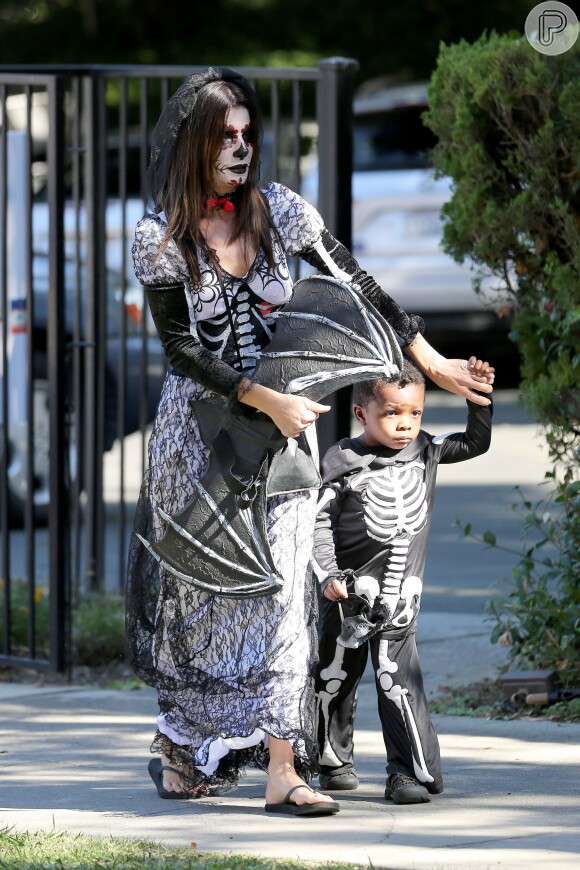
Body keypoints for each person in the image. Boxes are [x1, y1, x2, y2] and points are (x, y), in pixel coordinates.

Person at [126, 66, 494, 814]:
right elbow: (181, 349)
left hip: (284, 436)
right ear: (194, 141)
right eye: (224, 135)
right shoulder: (158, 237)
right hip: (197, 441)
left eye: (247, 133)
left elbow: (361, 286)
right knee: (202, 603)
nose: (240, 146)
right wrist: (264, 396)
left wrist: (432, 362)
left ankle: (282, 768)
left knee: (289, 593)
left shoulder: (280, 213)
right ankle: (178, 746)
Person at [313, 358, 493, 804]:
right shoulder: (341, 459)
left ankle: (407, 771)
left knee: (398, 679)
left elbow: (475, 443)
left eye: (414, 413)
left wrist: (479, 397)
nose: (405, 424)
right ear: (362, 414)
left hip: (399, 596)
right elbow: (317, 522)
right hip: (348, 592)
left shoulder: (426, 449)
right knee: (335, 675)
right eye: (392, 413)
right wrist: (328, 574)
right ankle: (332, 759)